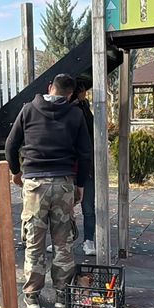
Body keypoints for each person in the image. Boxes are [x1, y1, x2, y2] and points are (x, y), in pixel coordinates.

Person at [4, 73, 92, 308]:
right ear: (71, 94)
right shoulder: (75, 114)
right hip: (63, 184)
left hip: (34, 185)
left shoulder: (28, 110)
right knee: (63, 243)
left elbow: (11, 145)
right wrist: (80, 184)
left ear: (50, 87)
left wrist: (16, 171)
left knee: (34, 241)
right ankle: (62, 295)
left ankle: (32, 295)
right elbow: (85, 153)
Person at [73, 76, 97, 257]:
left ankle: (88, 240)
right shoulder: (72, 110)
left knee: (87, 206)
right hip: (70, 166)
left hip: (84, 165)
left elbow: (90, 127)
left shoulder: (84, 109)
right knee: (64, 208)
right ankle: (64, 238)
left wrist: (82, 104)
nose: (85, 93)